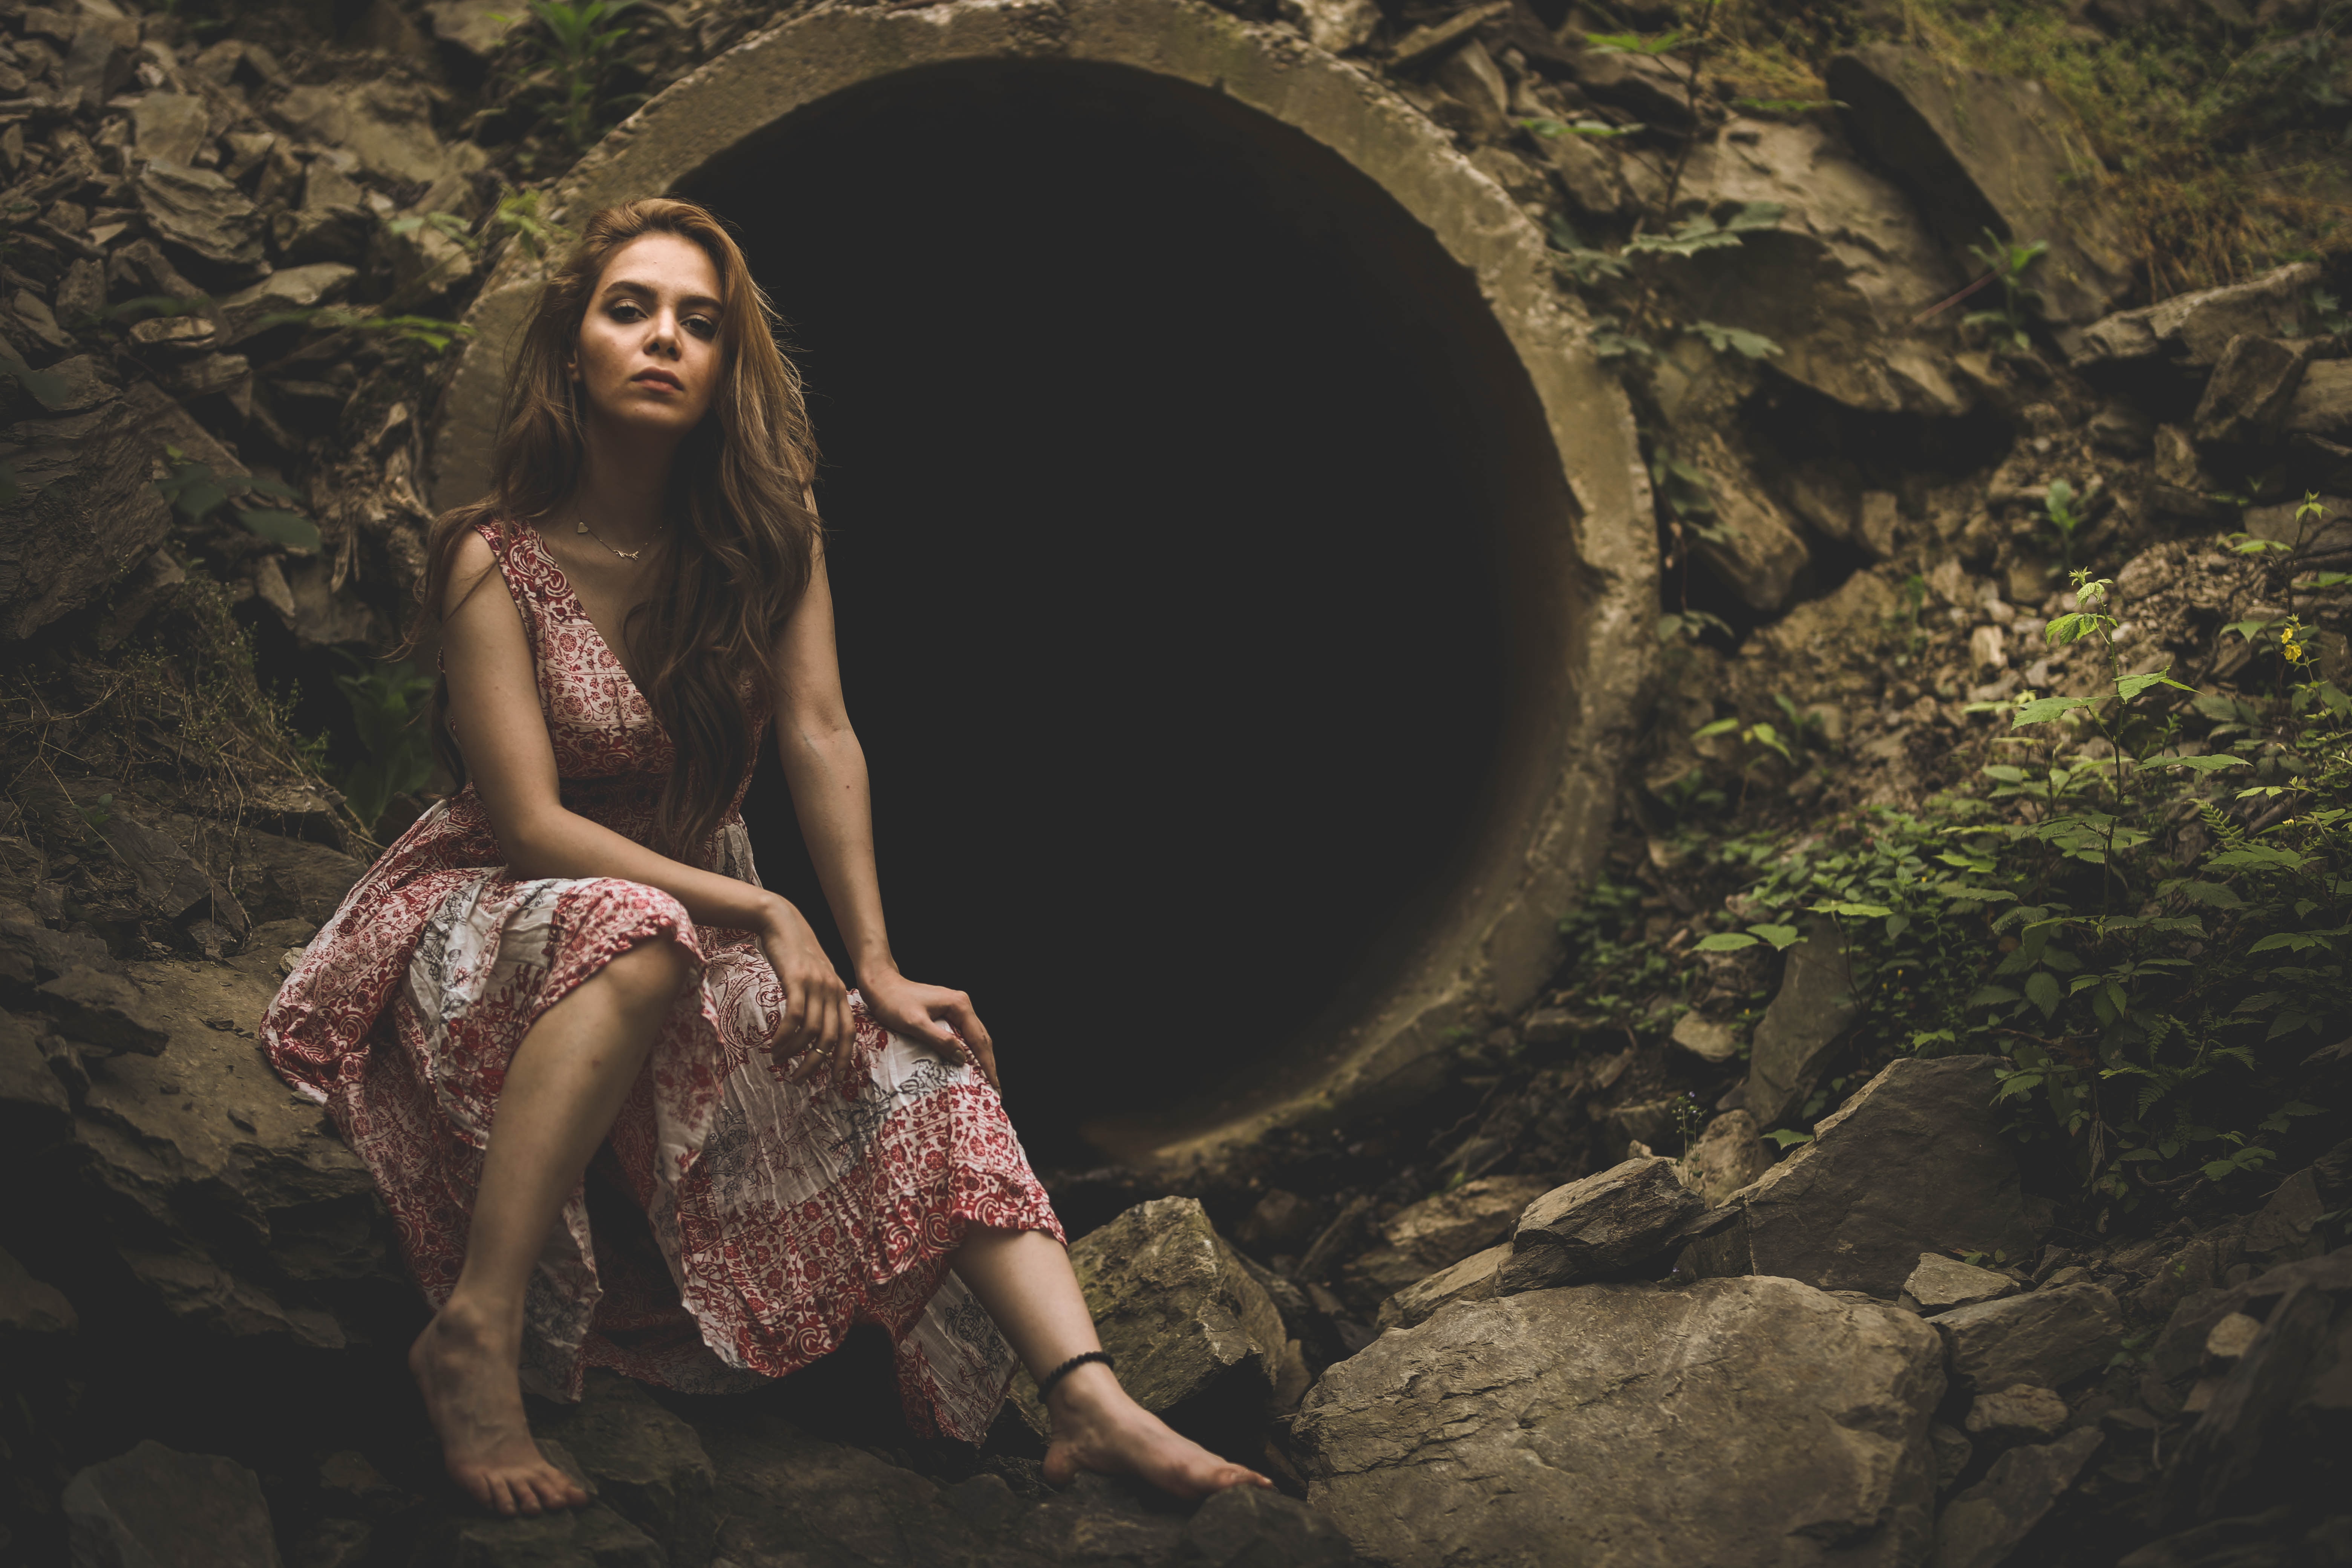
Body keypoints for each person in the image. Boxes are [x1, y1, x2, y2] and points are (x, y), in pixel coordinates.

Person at [262, 197, 1271, 1517]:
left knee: (915, 1050)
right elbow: (528, 824)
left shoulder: (765, 537)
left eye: (701, 322)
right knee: (632, 933)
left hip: (693, 903)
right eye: (631, 310)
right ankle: (478, 1334)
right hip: (503, 906)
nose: (664, 340)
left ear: (732, 366)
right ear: (573, 346)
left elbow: (821, 733)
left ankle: (1089, 1402)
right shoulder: (487, 556)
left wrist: (874, 962)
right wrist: (762, 906)